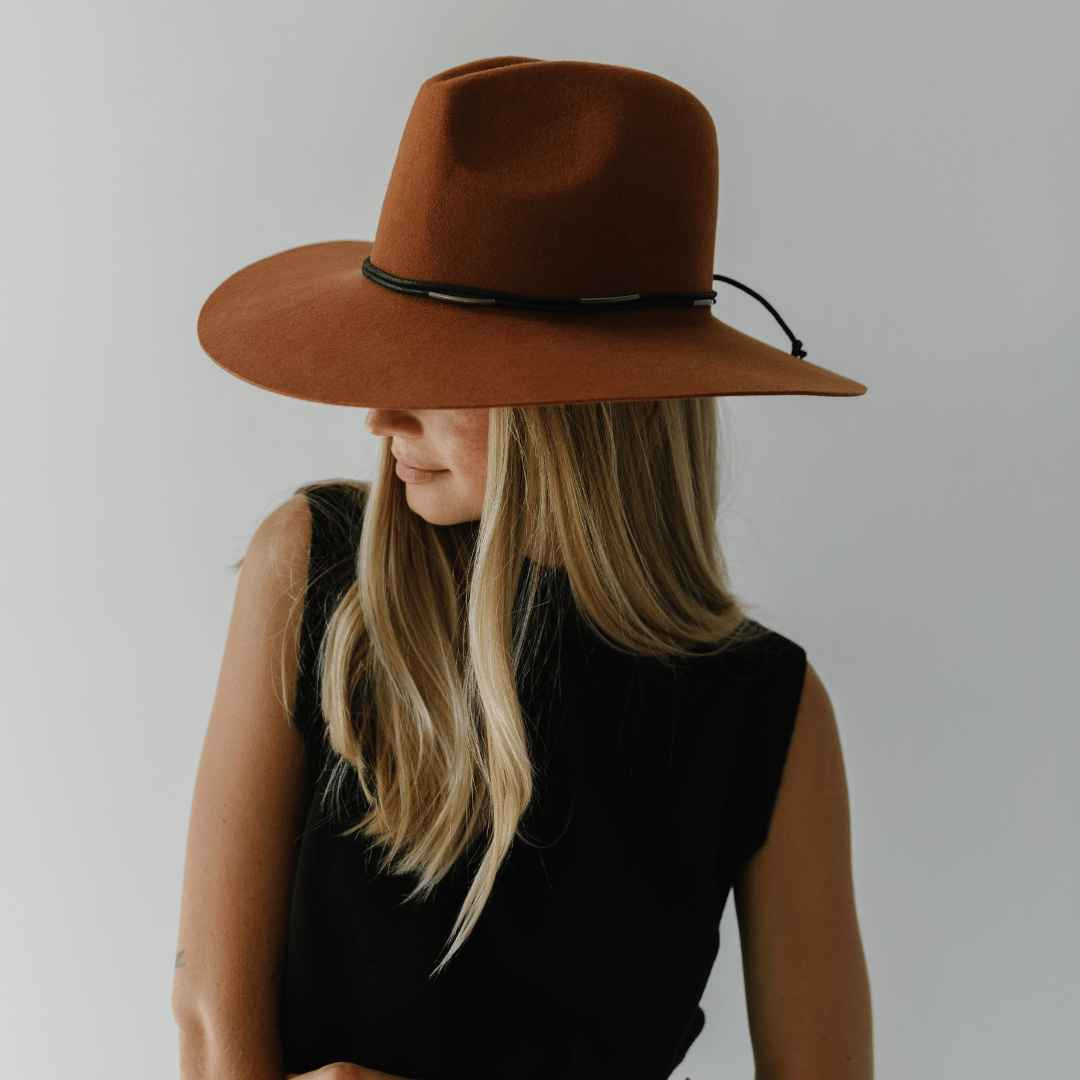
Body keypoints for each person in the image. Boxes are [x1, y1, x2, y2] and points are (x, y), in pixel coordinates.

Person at [173, 56, 874, 1080]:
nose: (379, 414)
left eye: (437, 364)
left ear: (582, 407)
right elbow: (206, 1019)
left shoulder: (767, 712)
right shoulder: (322, 578)